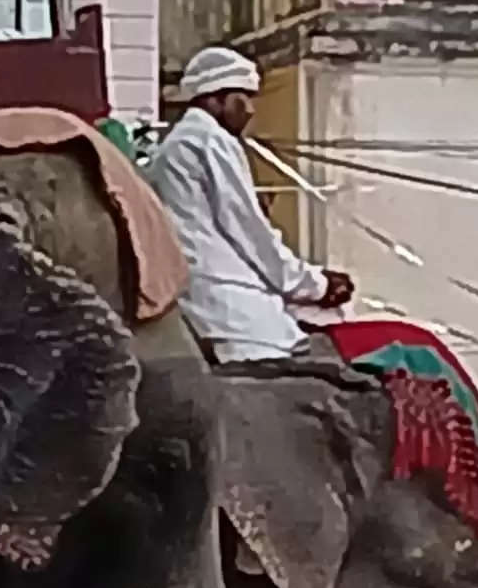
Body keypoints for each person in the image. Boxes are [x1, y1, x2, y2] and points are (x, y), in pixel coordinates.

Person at [140, 46, 350, 364]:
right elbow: (249, 230)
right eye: (243, 99)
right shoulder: (209, 140)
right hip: (234, 314)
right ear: (214, 99)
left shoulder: (177, 145)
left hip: (207, 302)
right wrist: (315, 284)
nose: (251, 110)